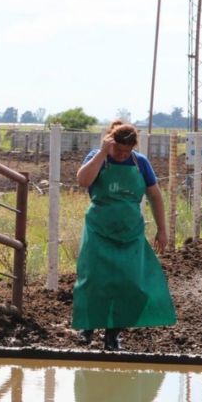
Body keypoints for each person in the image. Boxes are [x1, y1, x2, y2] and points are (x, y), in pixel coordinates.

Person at [72, 120, 176, 350]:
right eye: (118, 149)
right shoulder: (97, 157)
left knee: (129, 283)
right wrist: (102, 152)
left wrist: (162, 229)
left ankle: (113, 333)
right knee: (94, 279)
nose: (121, 155)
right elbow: (83, 181)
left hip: (130, 232)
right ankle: (87, 327)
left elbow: (155, 196)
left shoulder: (140, 163)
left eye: (126, 151)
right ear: (110, 142)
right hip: (99, 229)